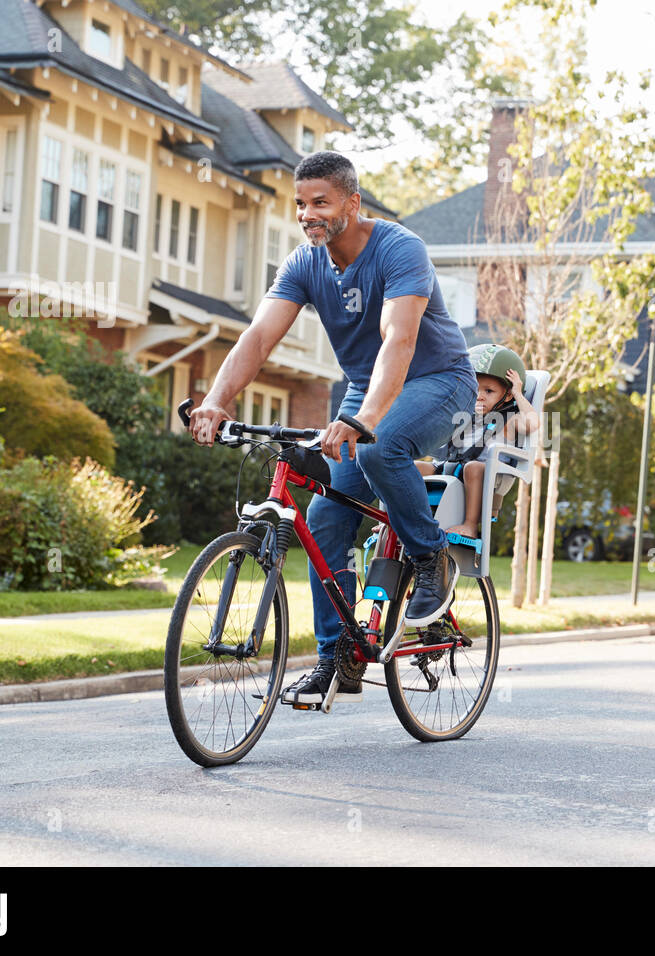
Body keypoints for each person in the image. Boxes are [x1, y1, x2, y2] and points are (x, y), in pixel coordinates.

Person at [186, 150, 476, 705]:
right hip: (367, 394)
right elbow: (258, 338)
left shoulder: (399, 248)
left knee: (380, 447)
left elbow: (400, 339)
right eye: (300, 203)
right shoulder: (304, 264)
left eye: (320, 202)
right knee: (323, 519)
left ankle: (428, 553)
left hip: (440, 382)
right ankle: (336, 656)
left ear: (352, 201)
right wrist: (217, 400)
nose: (307, 213)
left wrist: (364, 418)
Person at [416, 343, 540, 539]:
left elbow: (533, 423)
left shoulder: (510, 420)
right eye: (475, 389)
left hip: (487, 473)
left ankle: (470, 525)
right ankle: (394, 519)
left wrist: (517, 392)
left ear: (507, 396)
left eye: (489, 391)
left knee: (473, 467)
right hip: (451, 466)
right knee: (407, 467)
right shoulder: (464, 415)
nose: (479, 397)